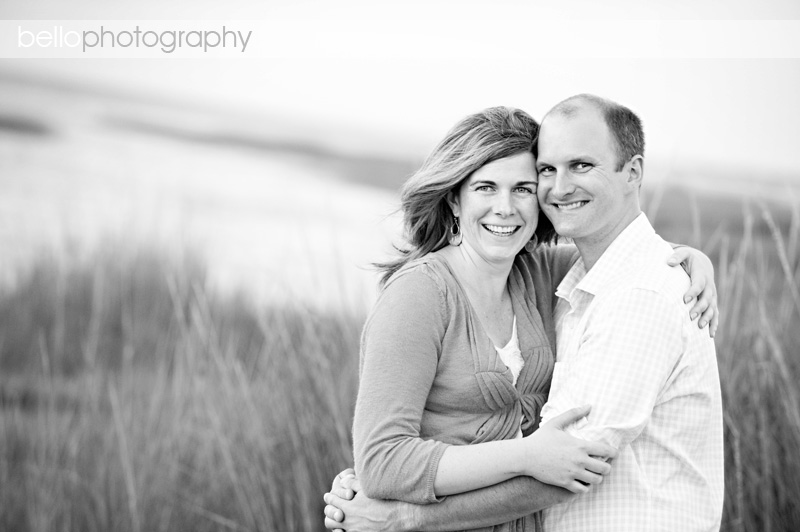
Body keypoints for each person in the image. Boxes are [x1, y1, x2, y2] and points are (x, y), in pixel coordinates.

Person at [323, 101, 720, 531]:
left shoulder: (539, 273)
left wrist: (688, 258)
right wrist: (525, 455)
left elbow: (624, 258)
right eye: (485, 187)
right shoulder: (419, 294)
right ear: (454, 199)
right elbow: (382, 462)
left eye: (524, 189)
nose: (505, 207)